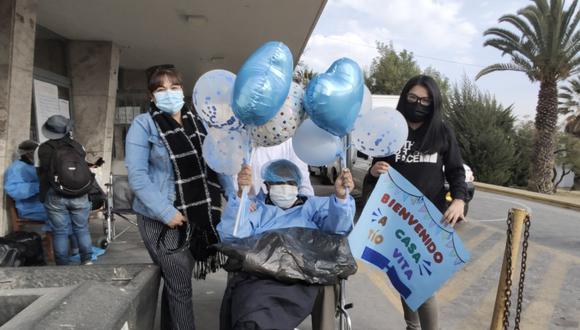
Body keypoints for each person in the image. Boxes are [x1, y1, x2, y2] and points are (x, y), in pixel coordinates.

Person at [363, 75, 468, 330]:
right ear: (404, 97)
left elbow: (456, 171)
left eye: (425, 99)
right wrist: (373, 171)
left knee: (423, 281)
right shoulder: (390, 129)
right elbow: (375, 173)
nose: (418, 103)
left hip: (430, 218)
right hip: (397, 216)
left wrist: (459, 200)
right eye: (413, 98)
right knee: (402, 275)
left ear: (433, 102)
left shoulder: (442, 132)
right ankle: (412, 326)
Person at [125, 65, 227, 330]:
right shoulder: (143, 125)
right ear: (151, 96)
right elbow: (137, 176)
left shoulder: (200, 122)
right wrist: (166, 212)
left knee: (175, 284)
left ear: (183, 90)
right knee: (180, 285)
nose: (169, 93)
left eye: (174, 87)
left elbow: (216, 164)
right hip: (161, 217)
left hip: (196, 218)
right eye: (161, 89)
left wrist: (236, 192)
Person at [218, 159, 355, 329]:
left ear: (298, 186)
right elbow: (232, 237)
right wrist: (240, 197)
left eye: (290, 183)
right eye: (278, 183)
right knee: (250, 309)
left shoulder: (313, 207)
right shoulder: (256, 208)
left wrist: (341, 198)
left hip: (307, 277)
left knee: (327, 286)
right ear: (267, 185)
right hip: (263, 277)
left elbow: (338, 230)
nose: (284, 187)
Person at [36, 115, 94, 266]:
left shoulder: (42, 149)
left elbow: (40, 173)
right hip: (79, 192)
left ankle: (62, 265)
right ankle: (87, 260)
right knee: (81, 228)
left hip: (54, 193)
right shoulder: (78, 146)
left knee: (60, 231)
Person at [4, 140, 48, 222]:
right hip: (29, 209)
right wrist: (38, 186)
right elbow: (13, 190)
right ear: (28, 154)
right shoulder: (15, 168)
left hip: (41, 204)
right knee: (62, 214)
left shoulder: (35, 166)